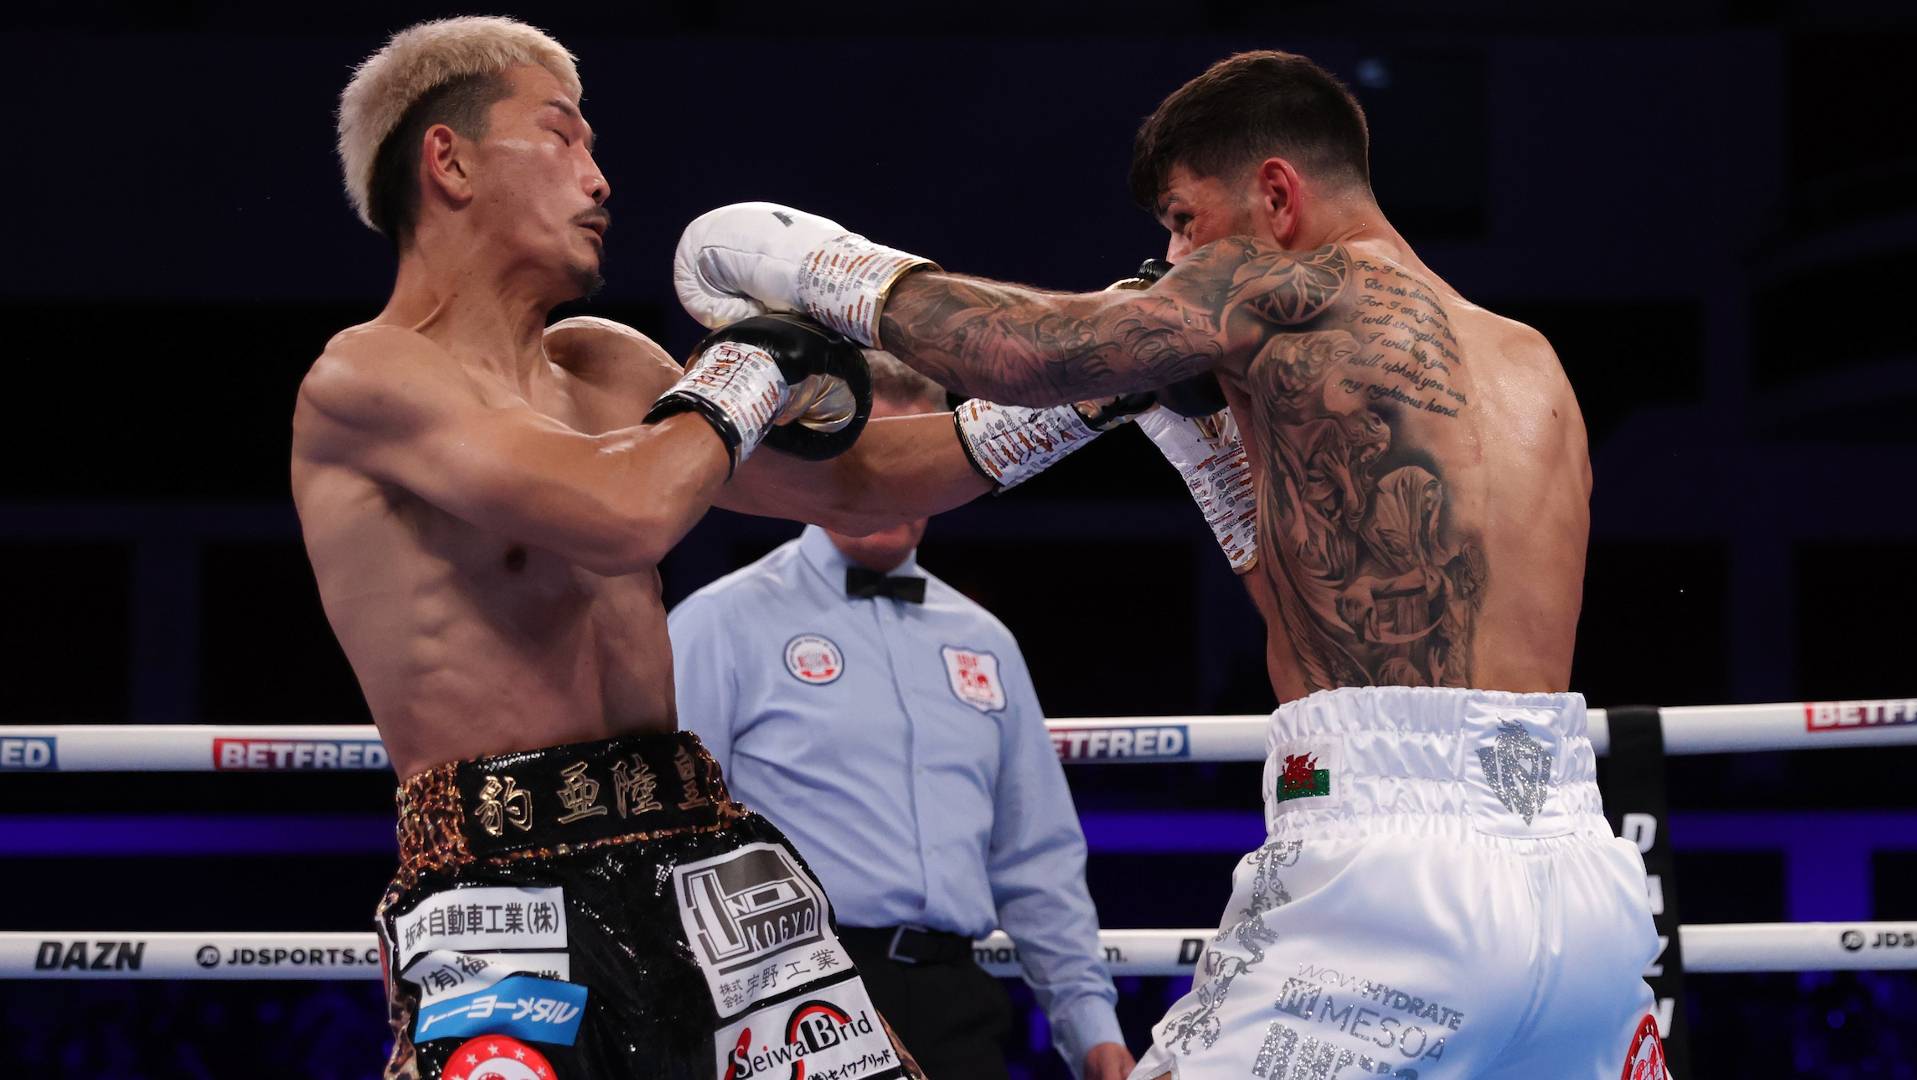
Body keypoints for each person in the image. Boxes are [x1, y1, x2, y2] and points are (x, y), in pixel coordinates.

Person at [672, 50, 1667, 1080]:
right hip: (1580, 876)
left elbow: (1036, 351)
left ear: (1276, 194)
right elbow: (1342, 619)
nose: (1175, 255)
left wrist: (826, 269)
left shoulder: (1283, 289)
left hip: (1391, 878)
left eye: (1187, 221)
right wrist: (1211, 456)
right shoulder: (1531, 361)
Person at [296, 16, 1139, 1079]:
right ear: (448, 161)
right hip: (504, 884)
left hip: (705, 860)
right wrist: (754, 364)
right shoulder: (367, 379)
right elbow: (623, 513)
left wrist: (1100, 388)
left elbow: (855, 481)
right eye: (561, 136)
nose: (598, 178)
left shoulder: (607, 365)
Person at [669, 356, 1135, 1080]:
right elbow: (676, 846)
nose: (898, 484)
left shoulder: (984, 641)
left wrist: (1093, 1030)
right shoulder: (720, 624)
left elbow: (1036, 859)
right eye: (878, 460)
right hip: (794, 998)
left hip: (959, 1003)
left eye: (920, 463)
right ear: (822, 461)